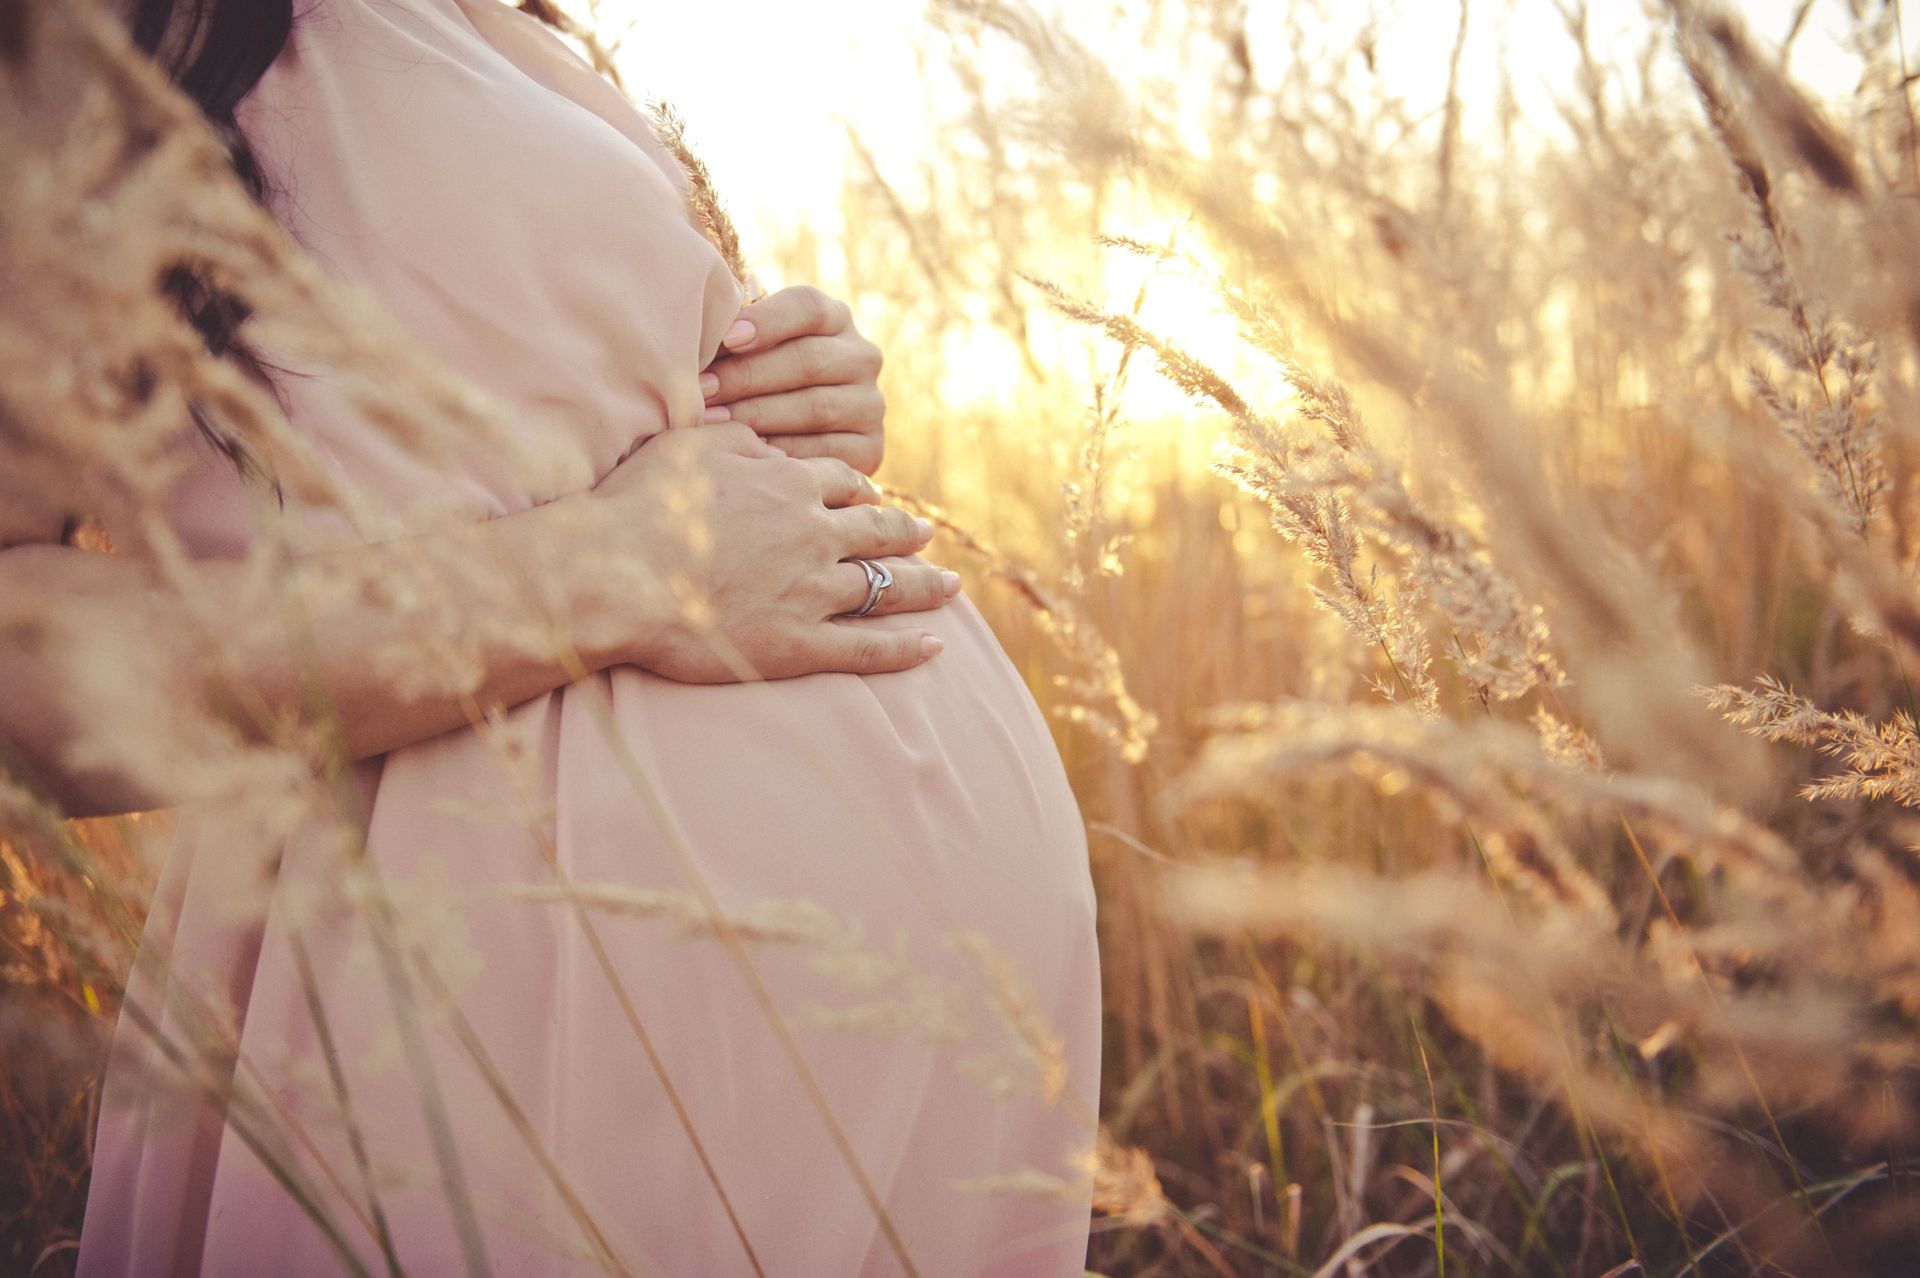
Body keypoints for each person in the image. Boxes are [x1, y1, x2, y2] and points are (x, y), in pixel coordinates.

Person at [0, 0, 1101, 1273]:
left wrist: (781, 388)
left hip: (901, 1058)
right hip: (512, 1023)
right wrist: (610, 571)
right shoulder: (97, 27)